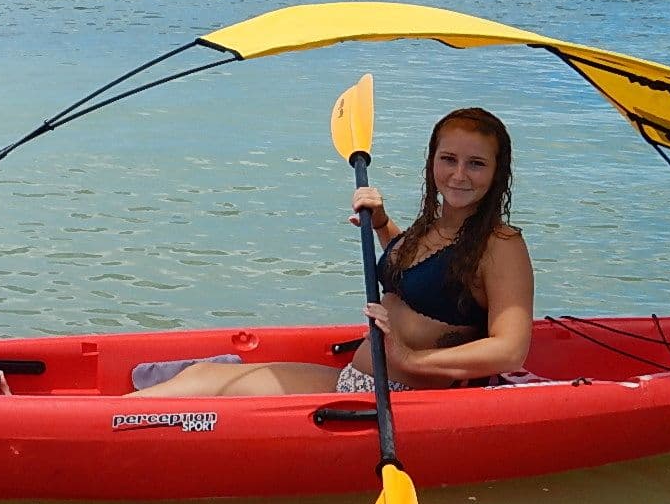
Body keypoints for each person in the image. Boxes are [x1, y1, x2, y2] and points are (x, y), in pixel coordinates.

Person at [135, 107, 534, 396]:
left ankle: (104, 431)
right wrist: (382, 224)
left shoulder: (500, 246)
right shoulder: (436, 226)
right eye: (448, 159)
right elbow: (421, 279)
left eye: (476, 164)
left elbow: (510, 349)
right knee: (201, 377)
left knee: (203, 393)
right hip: (357, 380)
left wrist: (409, 358)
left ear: (497, 172)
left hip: (393, 400)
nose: (459, 174)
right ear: (431, 161)